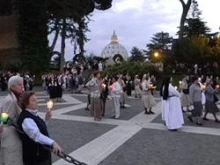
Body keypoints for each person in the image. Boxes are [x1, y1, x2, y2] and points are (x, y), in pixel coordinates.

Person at [17, 91, 63, 165]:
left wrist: (46, 119)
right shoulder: (26, 119)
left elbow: (40, 129)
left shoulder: (33, 114)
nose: (36, 102)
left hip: (41, 156)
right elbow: (36, 135)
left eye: (36, 99)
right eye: (33, 100)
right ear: (26, 104)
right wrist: (53, 143)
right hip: (36, 159)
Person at [0, 75, 24, 165]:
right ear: (12, 86)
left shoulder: (15, 97)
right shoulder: (11, 100)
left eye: (22, 84)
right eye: (19, 84)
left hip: (12, 131)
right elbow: (5, 114)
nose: (22, 86)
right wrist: (1, 123)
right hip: (10, 133)